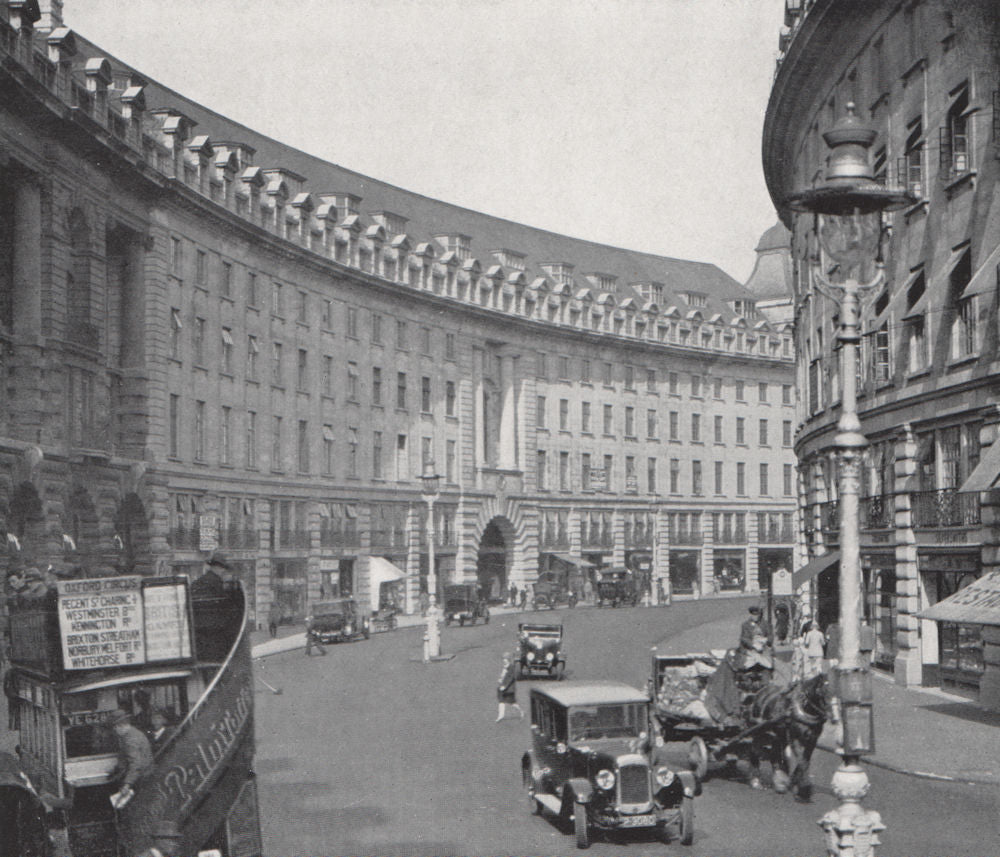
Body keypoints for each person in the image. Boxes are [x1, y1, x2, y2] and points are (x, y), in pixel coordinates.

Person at [109, 709, 154, 802]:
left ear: (120, 725)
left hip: (139, 779)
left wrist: (127, 784)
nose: (115, 731)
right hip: (143, 776)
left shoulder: (130, 740)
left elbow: (136, 764)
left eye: (115, 728)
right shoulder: (133, 733)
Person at [495, 652, 523, 722]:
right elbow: (503, 676)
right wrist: (500, 680)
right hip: (502, 687)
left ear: (508, 660)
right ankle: (501, 716)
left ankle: (521, 711)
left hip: (509, 688)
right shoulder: (505, 667)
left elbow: (511, 678)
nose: (504, 660)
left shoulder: (511, 667)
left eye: (505, 659)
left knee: (512, 702)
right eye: (503, 659)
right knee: (501, 701)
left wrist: (505, 686)